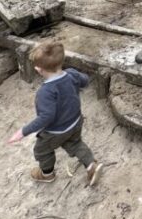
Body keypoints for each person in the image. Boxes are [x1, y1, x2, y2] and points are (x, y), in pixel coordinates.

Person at [7, 41, 103, 186]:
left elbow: (46, 117)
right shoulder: (71, 74)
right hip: (75, 121)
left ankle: (47, 174)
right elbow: (85, 81)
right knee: (75, 143)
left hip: (55, 131)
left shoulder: (45, 92)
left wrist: (23, 131)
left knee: (41, 150)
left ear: (39, 69)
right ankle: (91, 166)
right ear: (61, 61)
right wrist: (77, 78)